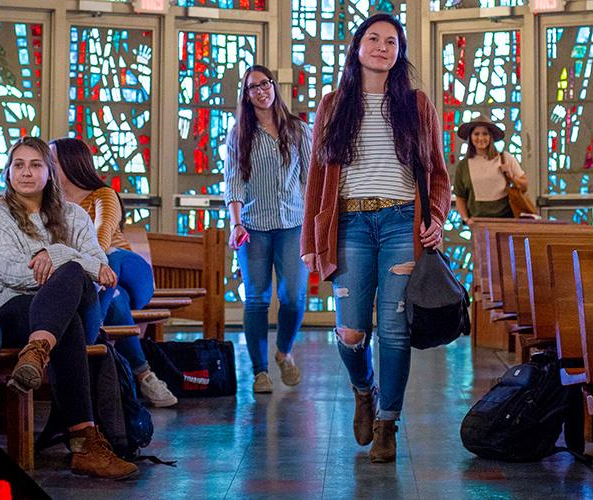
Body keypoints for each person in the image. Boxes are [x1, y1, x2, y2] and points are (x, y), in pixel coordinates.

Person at [299, 14, 453, 464]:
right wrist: (312, 239)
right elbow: (315, 177)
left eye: (392, 41)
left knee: (392, 330)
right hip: (349, 225)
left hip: (402, 223)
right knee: (350, 332)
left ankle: (387, 421)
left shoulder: (418, 104)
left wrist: (437, 217)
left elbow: (438, 175)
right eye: (374, 38)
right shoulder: (333, 104)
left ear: (399, 52)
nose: (383, 47)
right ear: (358, 47)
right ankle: (363, 389)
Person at [0, 137, 138, 479]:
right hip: (13, 309)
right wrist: (71, 262)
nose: (26, 172)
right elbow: (11, 272)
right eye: (19, 165)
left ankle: (37, 351)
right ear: (8, 172)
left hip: (77, 305)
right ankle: (84, 443)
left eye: (36, 165)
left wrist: (57, 257)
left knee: (72, 273)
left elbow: (98, 263)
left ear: (50, 172)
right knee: (67, 322)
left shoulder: (73, 214)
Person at [47, 136, 179, 408]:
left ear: (72, 164)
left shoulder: (102, 195)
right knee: (115, 296)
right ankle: (145, 375)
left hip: (129, 268)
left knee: (107, 259)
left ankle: (88, 335)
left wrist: (87, 263)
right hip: (107, 283)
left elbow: (102, 234)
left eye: (52, 162)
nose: (47, 168)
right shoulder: (53, 204)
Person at [223, 64, 313, 394]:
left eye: (266, 83)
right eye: (253, 87)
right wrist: (236, 223)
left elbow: (310, 178)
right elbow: (234, 181)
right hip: (253, 226)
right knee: (257, 300)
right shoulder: (239, 134)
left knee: (293, 297)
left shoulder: (299, 130)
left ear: (274, 86)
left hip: (293, 224)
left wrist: (316, 223)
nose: (261, 90)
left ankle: (284, 352)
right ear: (246, 96)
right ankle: (260, 372)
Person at [449, 120, 527, 225]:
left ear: (491, 137)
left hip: (506, 222)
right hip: (478, 223)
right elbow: (460, 197)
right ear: (470, 137)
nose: (481, 138)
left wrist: (512, 176)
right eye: (476, 134)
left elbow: (525, 186)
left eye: (485, 134)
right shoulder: (463, 166)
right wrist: (466, 219)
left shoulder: (505, 158)